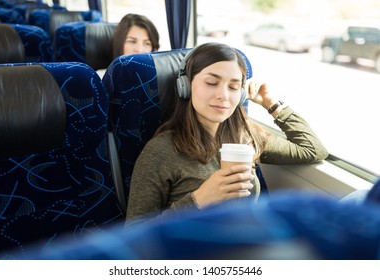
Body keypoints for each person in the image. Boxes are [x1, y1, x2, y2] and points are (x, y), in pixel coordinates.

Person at [125, 42, 329, 227]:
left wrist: (271, 104)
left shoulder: (246, 136)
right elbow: (134, 234)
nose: (223, 95)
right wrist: (197, 200)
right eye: (211, 83)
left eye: (233, 87)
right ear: (186, 85)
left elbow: (313, 149)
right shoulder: (162, 151)